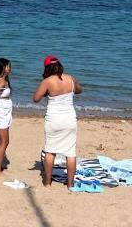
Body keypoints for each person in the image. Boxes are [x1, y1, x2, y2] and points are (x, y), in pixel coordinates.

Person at [32, 55, 82, 189]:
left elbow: (36, 98)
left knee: (50, 151)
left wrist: (46, 93)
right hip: (69, 119)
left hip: (54, 119)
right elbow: (79, 90)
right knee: (70, 152)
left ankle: (47, 183)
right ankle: (70, 184)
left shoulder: (47, 82)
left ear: (47, 68)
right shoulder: (70, 79)